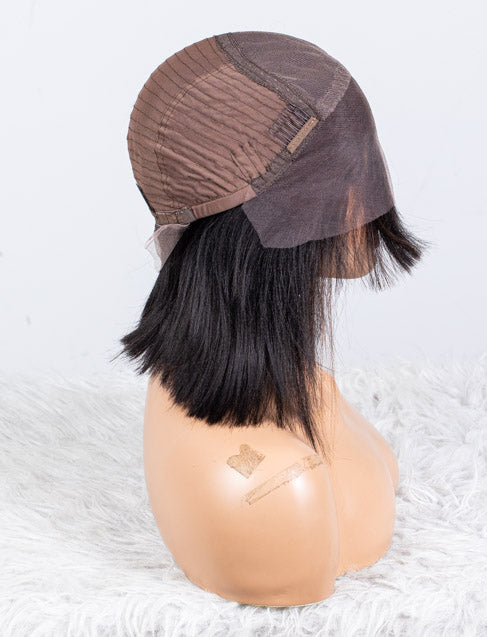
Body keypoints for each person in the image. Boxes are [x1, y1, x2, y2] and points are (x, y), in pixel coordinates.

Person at [112, 30, 430, 606]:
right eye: (341, 174)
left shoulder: (306, 386)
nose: (366, 196)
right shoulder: (277, 491)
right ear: (265, 219)